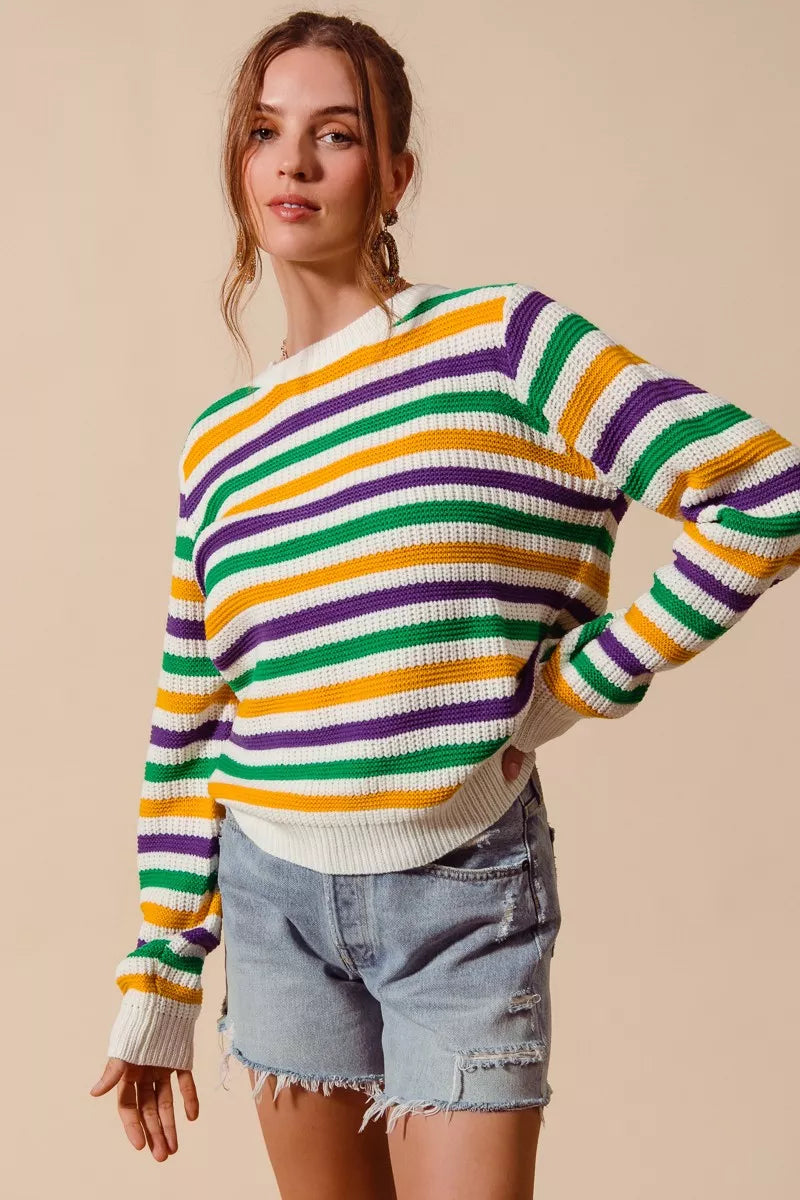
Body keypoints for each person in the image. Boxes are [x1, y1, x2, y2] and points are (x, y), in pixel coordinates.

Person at [89, 10, 800, 1198]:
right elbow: (193, 719)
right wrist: (160, 975)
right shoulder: (220, 443)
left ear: (394, 172)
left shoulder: (503, 344)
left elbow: (764, 494)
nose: (293, 162)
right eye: (264, 131)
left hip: (459, 891)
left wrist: (578, 682)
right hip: (271, 903)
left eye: (335, 133)